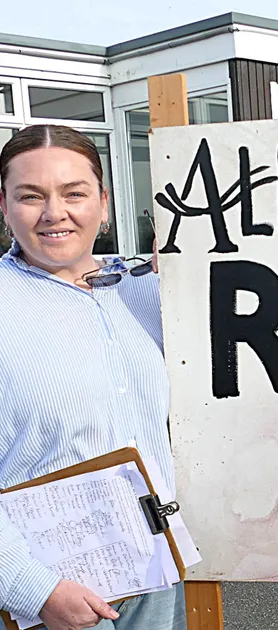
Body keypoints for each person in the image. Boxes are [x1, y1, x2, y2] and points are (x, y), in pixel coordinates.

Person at [0, 124, 183, 630]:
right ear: (4, 205)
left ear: (103, 203)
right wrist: (33, 589)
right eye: (31, 196)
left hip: (161, 572)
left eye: (73, 193)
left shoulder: (153, 294)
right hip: (50, 597)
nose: (54, 213)